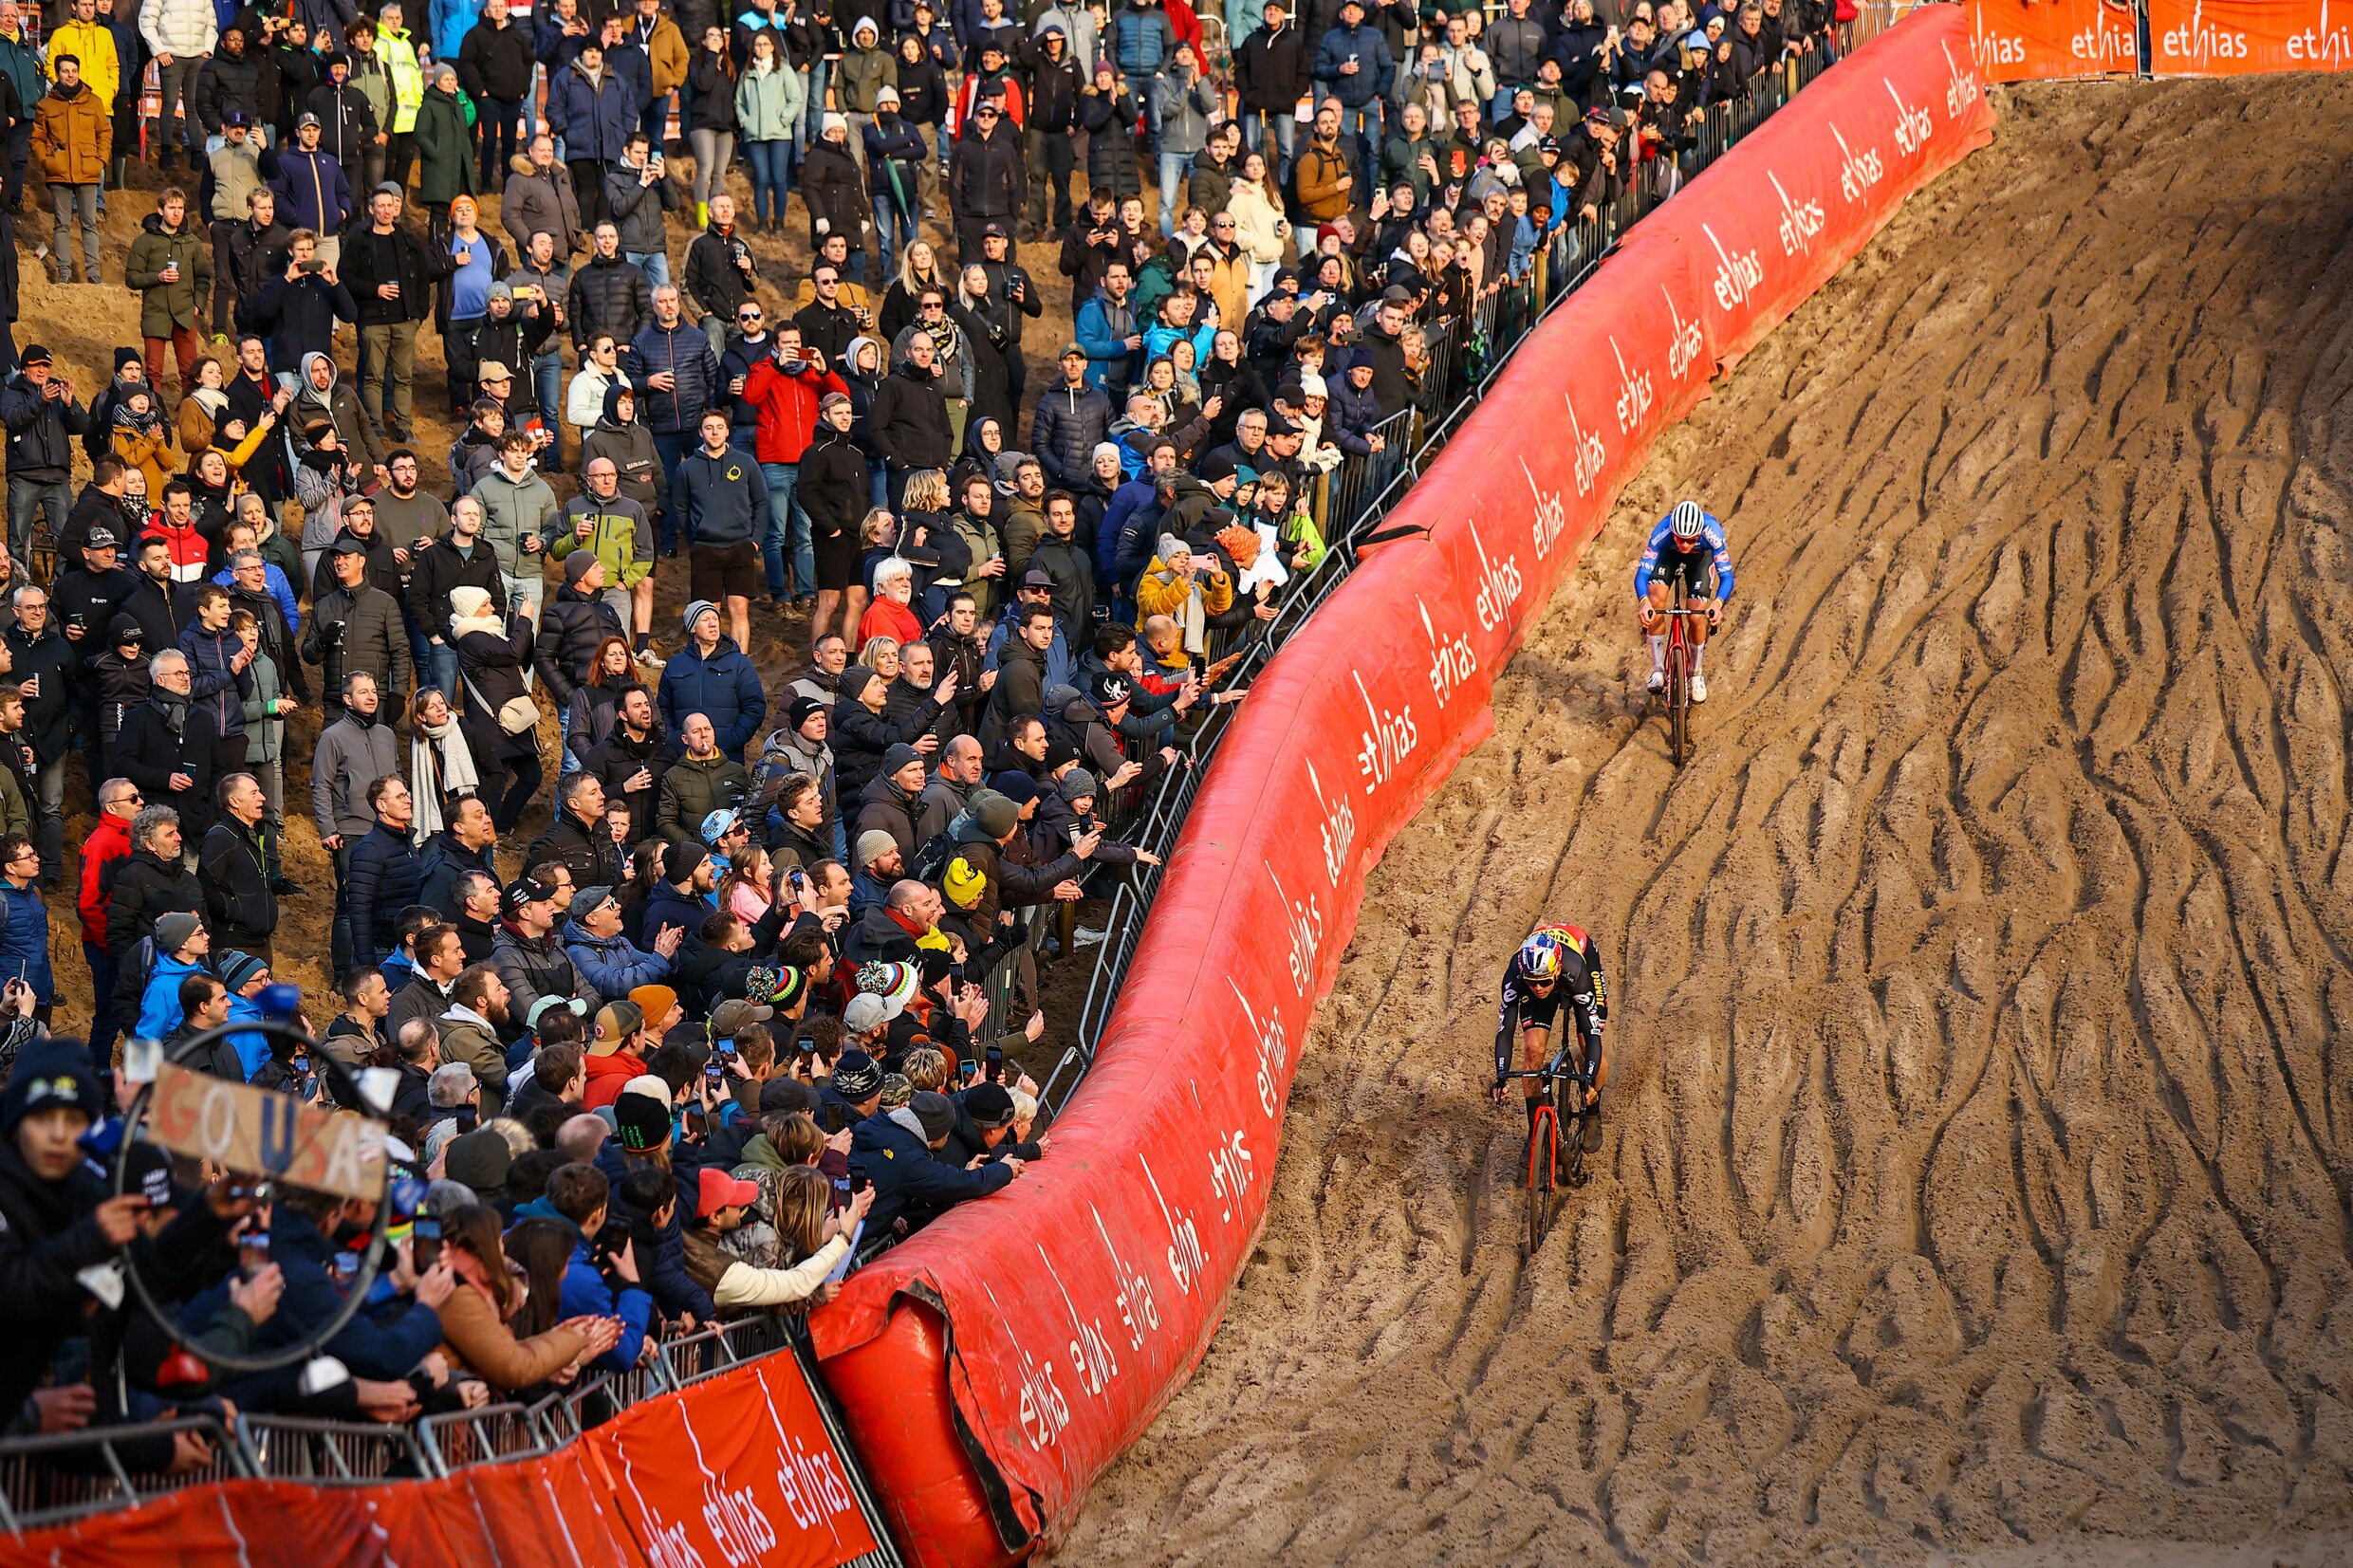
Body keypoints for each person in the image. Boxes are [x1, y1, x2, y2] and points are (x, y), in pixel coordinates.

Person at [1489, 923, 1609, 1155]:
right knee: (1532, 1048)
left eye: (1544, 982)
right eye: (1531, 982)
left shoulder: (1575, 970)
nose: (1537, 988)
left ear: (1555, 971)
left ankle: (1593, 1110)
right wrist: (1501, 1076)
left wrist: (1589, 1079)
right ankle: (1535, 1131)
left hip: (1580, 960)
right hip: (1545, 966)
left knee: (1588, 1043)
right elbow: (1505, 1031)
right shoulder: (1515, 974)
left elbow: (1593, 1035)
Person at [342, 183, 446, 443]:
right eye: (382, 206)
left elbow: (423, 278)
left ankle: (403, 426)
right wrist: (374, 290)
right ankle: (375, 426)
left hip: (405, 321)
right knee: (373, 376)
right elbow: (346, 276)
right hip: (372, 320)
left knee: (403, 377)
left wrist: (419, 315)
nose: (387, 210)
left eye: (390, 205)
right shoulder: (359, 241)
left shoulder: (408, 241)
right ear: (371, 209)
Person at [1634, 498, 1732, 703]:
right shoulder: (1662, 531)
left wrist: (1717, 604)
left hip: (1700, 559)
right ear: (1673, 532)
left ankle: (1696, 673)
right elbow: (1641, 576)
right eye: (1680, 539)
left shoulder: (1713, 532)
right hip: (1667, 556)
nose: (1685, 544)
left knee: (1696, 615)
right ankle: (1658, 669)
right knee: (1655, 601)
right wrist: (1644, 602)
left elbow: (1727, 578)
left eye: (1691, 540)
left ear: (1700, 533)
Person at [2, 347, 89, 569]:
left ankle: (61, 586)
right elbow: (15, 419)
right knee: (17, 542)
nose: (42, 370)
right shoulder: (12, 392)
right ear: (24, 369)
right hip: (25, 475)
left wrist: (70, 404)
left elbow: (83, 426)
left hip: (58, 478)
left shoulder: (58, 391)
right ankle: (17, 586)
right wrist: (40, 400)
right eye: (36, 365)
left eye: (46, 365)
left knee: (66, 541)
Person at [32, 51, 107, 286]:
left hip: (88, 171)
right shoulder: (46, 105)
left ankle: (93, 274)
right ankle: (64, 273)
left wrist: (100, 161)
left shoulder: (94, 102)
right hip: (59, 172)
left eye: (74, 71)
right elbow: (37, 137)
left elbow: (104, 133)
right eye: (66, 71)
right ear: (58, 74)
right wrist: (47, 161)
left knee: (89, 223)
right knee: (61, 224)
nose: (71, 75)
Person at [658, 600, 764, 764]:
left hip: (727, 758)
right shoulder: (674, 666)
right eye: (705, 620)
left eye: (715, 619)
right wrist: (674, 739)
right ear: (693, 628)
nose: (713, 624)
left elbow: (755, 706)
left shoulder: (739, 663)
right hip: (684, 759)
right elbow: (663, 709)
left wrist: (734, 739)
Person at [343, 773, 421, 968]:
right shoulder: (369, 850)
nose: (408, 800)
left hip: (408, 949)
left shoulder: (406, 842)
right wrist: (368, 965)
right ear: (382, 805)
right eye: (400, 797)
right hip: (384, 953)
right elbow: (359, 910)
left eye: (407, 795)